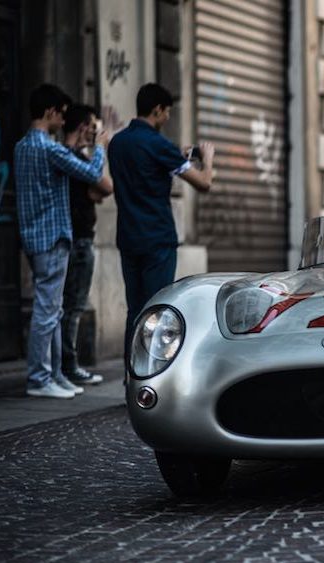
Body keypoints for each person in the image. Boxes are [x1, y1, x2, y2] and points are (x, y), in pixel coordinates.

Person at [108, 83, 215, 363]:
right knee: (157, 309)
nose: (168, 118)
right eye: (167, 112)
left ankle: (130, 374)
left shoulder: (118, 143)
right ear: (157, 110)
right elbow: (204, 183)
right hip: (157, 238)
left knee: (135, 310)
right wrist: (208, 160)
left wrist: (171, 156)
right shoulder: (158, 144)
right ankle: (152, 372)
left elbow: (143, 169)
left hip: (128, 237)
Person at [14, 84, 108, 399]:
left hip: (33, 236)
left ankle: (53, 375)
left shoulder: (22, 146)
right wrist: (101, 147)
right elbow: (91, 172)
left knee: (51, 310)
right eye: (62, 114)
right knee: (48, 310)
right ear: (51, 111)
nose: (63, 120)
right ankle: (40, 378)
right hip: (53, 238)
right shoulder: (48, 148)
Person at [60, 104, 114, 386]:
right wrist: (101, 149)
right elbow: (104, 186)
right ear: (83, 127)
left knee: (67, 306)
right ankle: (68, 365)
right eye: (94, 127)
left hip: (77, 238)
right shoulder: (70, 156)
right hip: (77, 240)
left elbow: (99, 190)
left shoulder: (77, 157)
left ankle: (65, 365)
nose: (96, 132)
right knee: (73, 306)